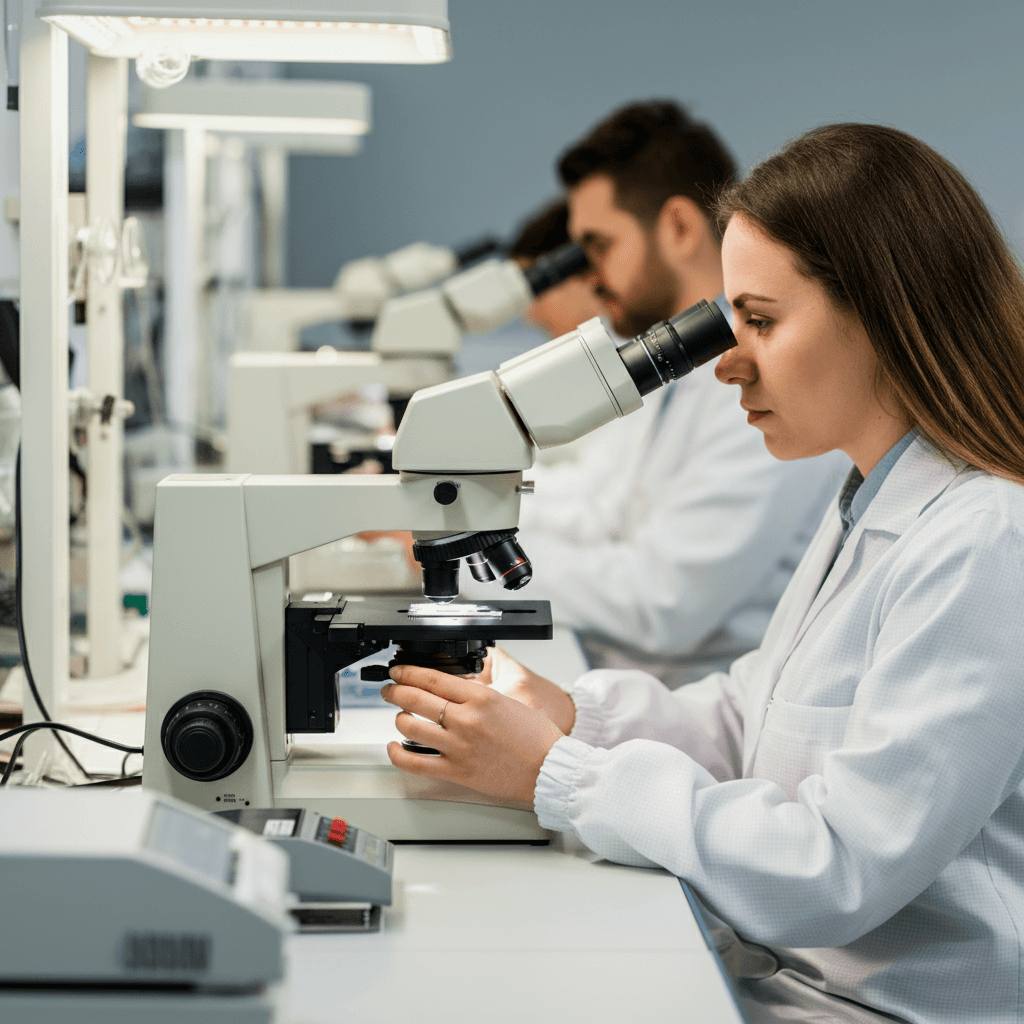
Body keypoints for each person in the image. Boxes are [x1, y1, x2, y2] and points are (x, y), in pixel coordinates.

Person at [381, 123, 1024, 1023]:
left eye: (759, 320)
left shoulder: (984, 542)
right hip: (792, 978)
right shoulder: (871, 501)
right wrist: (572, 714)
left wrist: (559, 775)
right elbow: (747, 719)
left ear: (883, 311)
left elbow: (837, 868)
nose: (727, 361)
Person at [494, 101, 846, 686]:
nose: (589, 275)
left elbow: (665, 601)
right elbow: (600, 507)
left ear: (678, 227)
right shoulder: (666, 366)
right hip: (639, 689)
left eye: (598, 246)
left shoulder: (764, 388)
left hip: (692, 704)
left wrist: (472, 565)